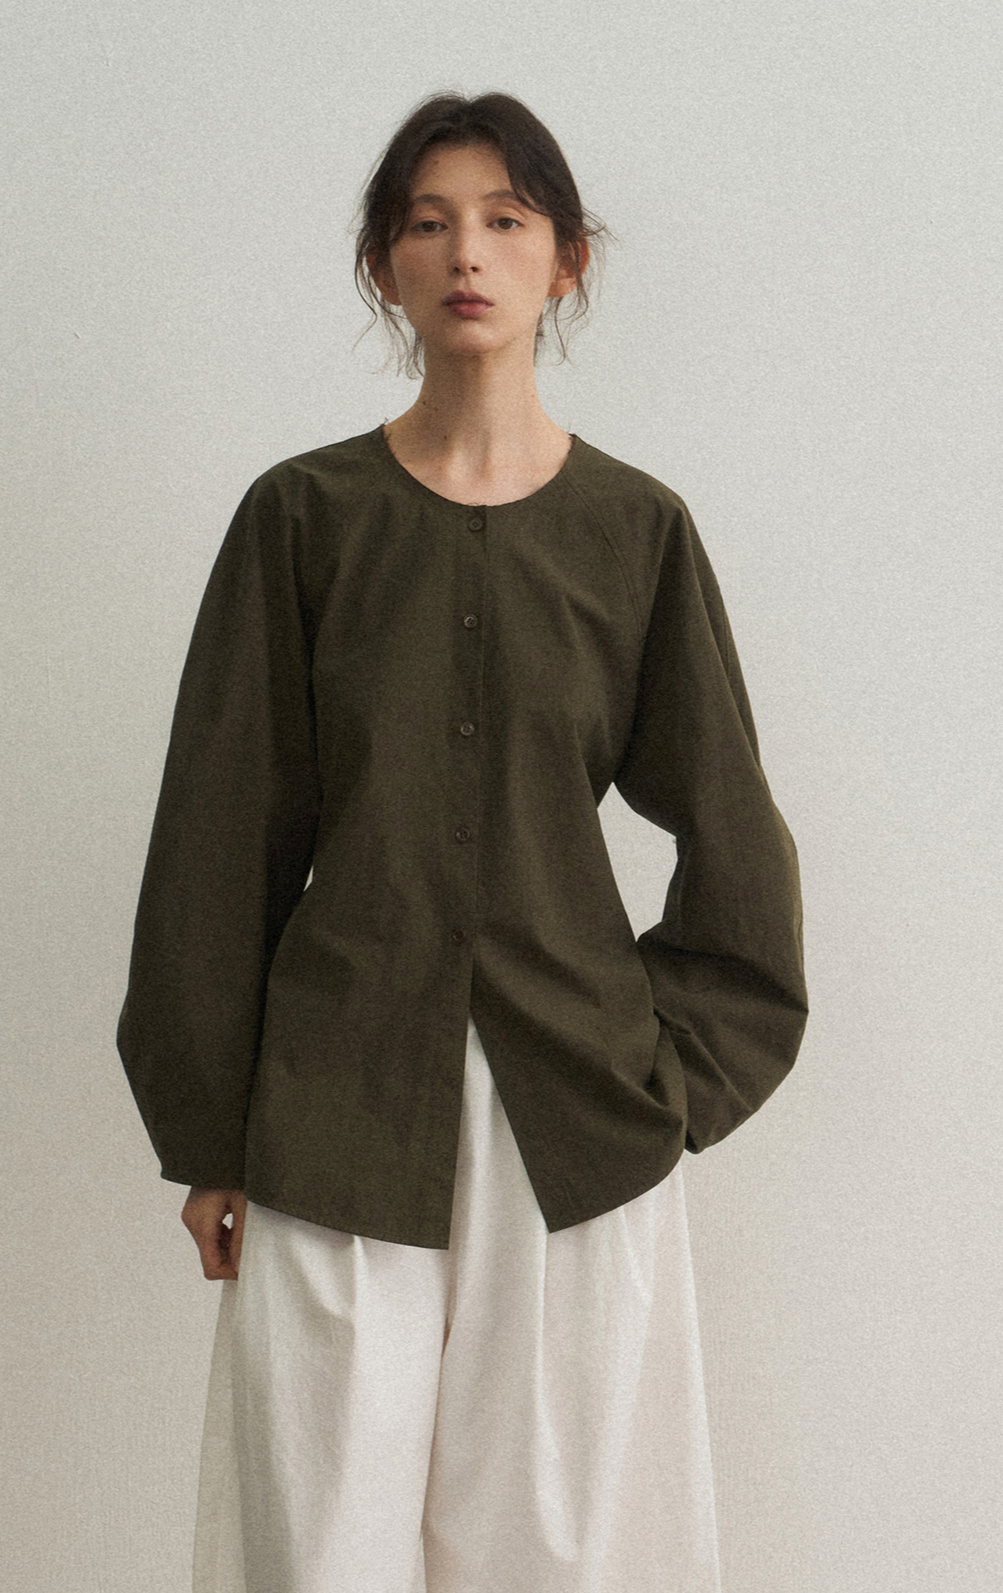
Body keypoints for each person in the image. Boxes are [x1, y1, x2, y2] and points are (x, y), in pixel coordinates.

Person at [117, 90, 807, 1593]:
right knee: (321, 1541)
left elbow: (733, 832)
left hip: (579, 1118)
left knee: (559, 1549)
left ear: (567, 259)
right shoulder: (303, 519)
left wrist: (673, 1081)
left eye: (505, 219)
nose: (466, 254)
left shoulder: (635, 532)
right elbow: (221, 835)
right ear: (385, 264)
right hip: (334, 1104)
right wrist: (208, 1130)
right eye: (427, 224)